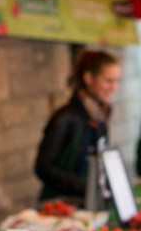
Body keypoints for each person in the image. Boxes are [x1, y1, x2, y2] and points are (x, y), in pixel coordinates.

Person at [34, 50, 121, 203]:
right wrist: (84, 186)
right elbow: (43, 168)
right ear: (88, 78)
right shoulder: (65, 118)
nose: (114, 87)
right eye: (108, 81)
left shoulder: (101, 116)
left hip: (90, 201)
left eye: (117, 81)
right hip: (61, 203)